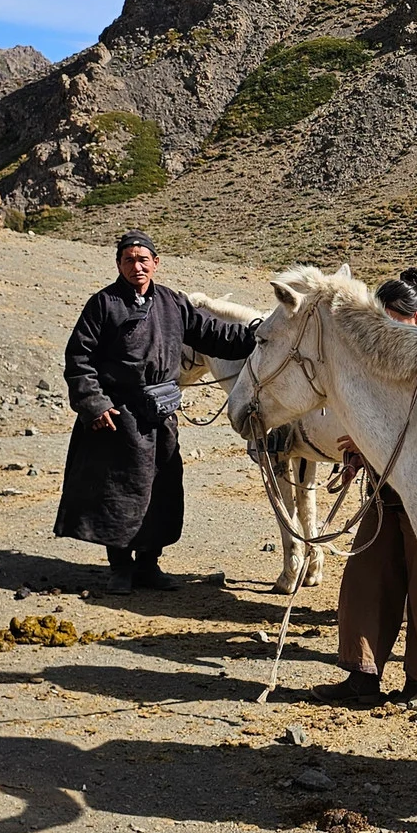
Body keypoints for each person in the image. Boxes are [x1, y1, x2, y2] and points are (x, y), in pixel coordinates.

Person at [57, 231, 258, 595]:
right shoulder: (103, 304)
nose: (137, 265)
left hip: (161, 414)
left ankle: (149, 565)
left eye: (143, 259)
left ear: (155, 263)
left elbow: (211, 334)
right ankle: (120, 568)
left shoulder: (172, 302)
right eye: (129, 260)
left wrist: (256, 335)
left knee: (161, 492)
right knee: (120, 493)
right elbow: (78, 359)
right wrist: (95, 404)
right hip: (118, 416)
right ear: (119, 264)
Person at [325, 269, 417, 708]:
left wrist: (371, 443)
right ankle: (361, 676)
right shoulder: (376, 366)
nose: (385, 327)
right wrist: (360, 448)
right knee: (366, 578)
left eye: (393, 318)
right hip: (383, 491)